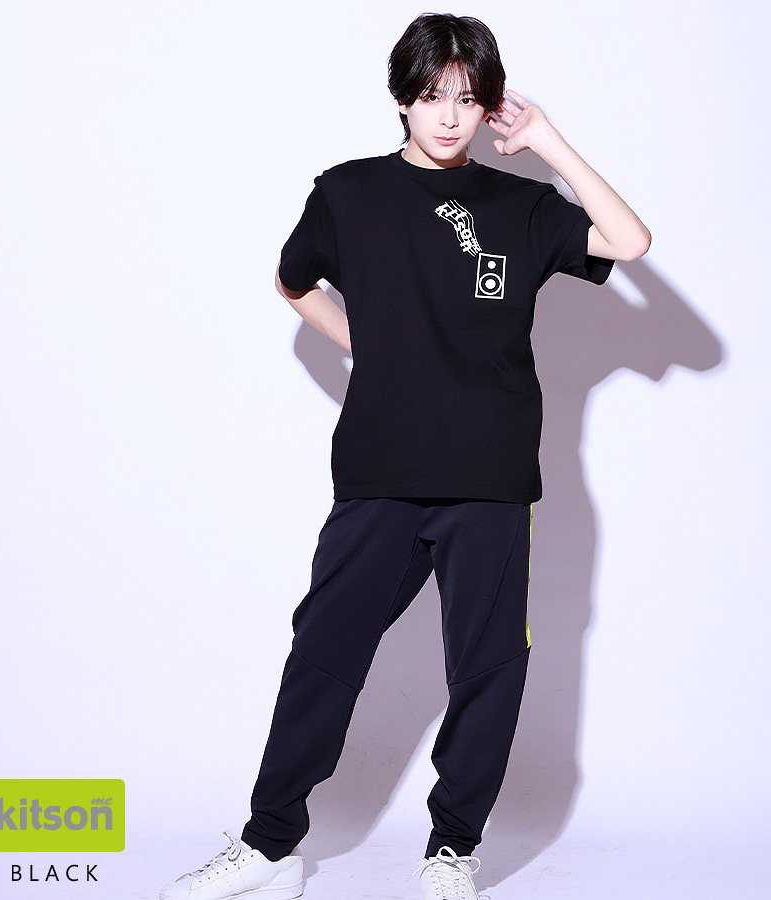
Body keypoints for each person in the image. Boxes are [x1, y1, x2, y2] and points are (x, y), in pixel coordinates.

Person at [159, 12, 650, 900]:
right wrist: (370, 346)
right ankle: (270, 848)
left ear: (489, 105)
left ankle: (451, 850)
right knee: (324, 654)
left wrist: (547, 141)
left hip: (490, 478)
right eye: (431, 97)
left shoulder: (521, 206)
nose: (450, 117)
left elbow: (628, 242)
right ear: (401, 100)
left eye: (467, 99)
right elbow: (292, 280)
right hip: (381, 470)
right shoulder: (347, 192)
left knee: (487, 670)